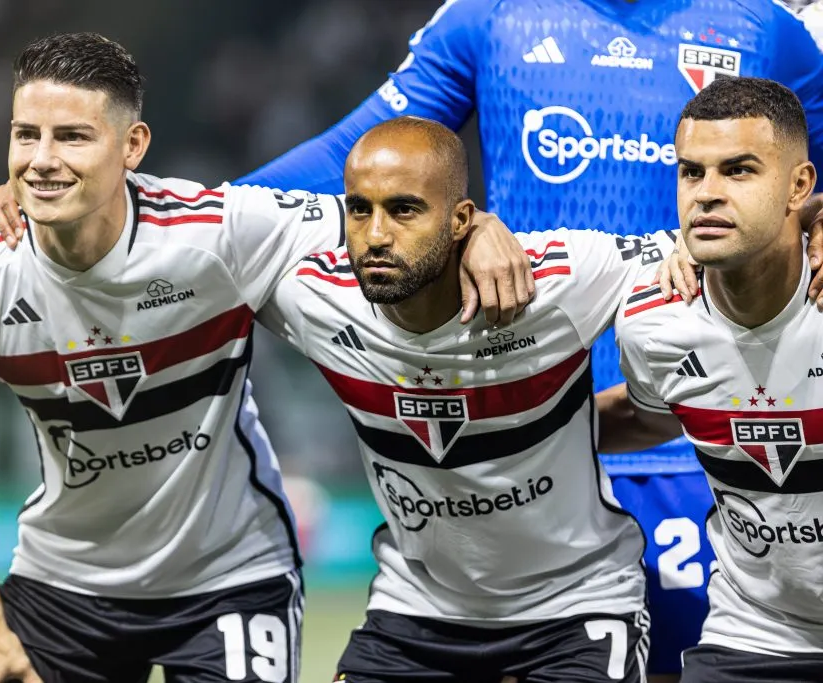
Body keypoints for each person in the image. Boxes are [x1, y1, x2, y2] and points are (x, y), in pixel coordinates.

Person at [0, 32, 529, 683]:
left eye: (72, 137)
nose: (41, 160)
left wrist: (478, 227)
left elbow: (387, 221)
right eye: (26, 135)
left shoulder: (220, 235)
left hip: (231, 577)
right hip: (64, 581)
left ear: (133, 147)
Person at [225, 2, 823, 678]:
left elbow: (809, 179)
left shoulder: (767, 27)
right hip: (534, 445)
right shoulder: (489, 16)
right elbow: (358, 156)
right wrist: (189, 234)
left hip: (710, 447)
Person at [255, 115, 682, 682]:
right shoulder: (313, 298)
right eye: (360, 209)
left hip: (576, 606)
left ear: (459, 219)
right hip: (418, 611)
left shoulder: (555, 281)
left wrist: (814, 216)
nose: (377, 234)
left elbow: (723, 242)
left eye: (405, 209)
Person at [606, 77, 823, 682]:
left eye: (739, 170)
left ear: (799, 187)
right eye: (691, 172)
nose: (706, 195)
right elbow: (642, 416)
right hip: (753, 635)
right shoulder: (654, 324)